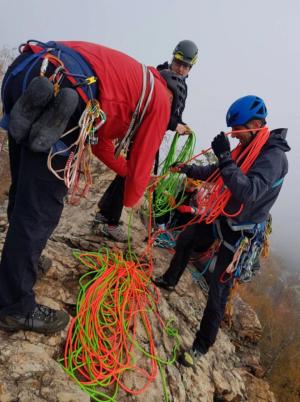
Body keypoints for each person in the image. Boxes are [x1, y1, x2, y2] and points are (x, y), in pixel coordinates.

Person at [0, 39, 186, 334]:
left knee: (26, 190)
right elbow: (139, 173)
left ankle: (18, 267)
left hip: (29, 68)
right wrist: (139, 189)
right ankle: (14, 306)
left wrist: (128, 172)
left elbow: (103, 148)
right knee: (40, 209)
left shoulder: (133, 80)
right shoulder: (160, 103)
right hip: (68, 99)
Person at [152, 95, 290, 367]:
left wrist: (226, 157)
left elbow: (247, 192)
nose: (235, 136)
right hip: (223, 217)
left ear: (253, 124)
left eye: (238, 130)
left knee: (218, 288)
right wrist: (188, 169)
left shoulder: (273, 158)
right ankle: (169, 280)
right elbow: (218, 171)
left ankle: (201, 347)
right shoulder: (248, 148)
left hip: (240, 230)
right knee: (188, 238)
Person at [92, 40, 198, 242]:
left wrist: (181, 124)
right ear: (173, 58)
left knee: (127, 172)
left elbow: (173, 114)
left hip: (153, 133)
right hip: (142, 131)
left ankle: (106, 214)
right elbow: (155, 109)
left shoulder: (181, 85)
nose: (181, 68)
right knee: (131, 172)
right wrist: (175, 125)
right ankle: (109, 221)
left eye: (186, 66)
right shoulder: (160, 77)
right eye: (179, 63)